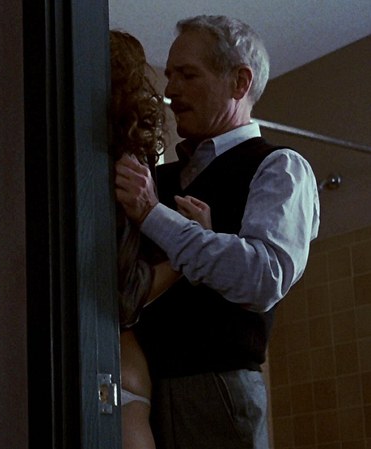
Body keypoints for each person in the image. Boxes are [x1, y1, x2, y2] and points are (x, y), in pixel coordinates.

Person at [114, 15, 320, 449]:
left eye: (188, 75)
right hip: (144, 389)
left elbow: (264, 277)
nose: (171, 89)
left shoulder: (279, 168)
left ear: (240, 82)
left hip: (216, 391)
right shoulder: (159, 179)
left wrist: (154, 216)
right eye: (170, 75)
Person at [108, 30, 212, 449]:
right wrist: (192, 250)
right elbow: (124, 294)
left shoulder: (112, 170)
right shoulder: (124, 164)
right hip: (124, 369)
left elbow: (119, 291)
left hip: (115, 374)